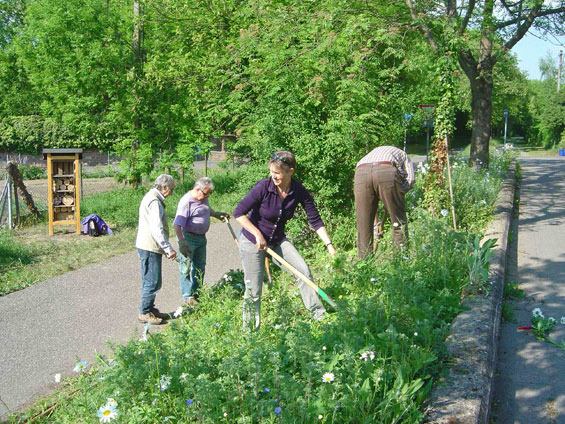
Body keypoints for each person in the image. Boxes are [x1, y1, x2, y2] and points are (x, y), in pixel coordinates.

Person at [233, 150, 336, 330]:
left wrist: (329, 245)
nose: (274, 177)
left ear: (291, 172)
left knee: (304, 272)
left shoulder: (298, 191)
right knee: (254, 289)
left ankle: (320, 317)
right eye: (272, 173)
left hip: (277, 240)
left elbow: (315, 220)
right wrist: (257, 234)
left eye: (278, 173)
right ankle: (249, 331)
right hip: (252, 241)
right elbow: (238, 213)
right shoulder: (263, 187)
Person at [173, 177, 229, 306]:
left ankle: (197, 293)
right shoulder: (186, 202)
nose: (206, 196)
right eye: (205, 193)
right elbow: (177, 225)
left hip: (201, 238)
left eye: (208, 194)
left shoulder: (203, 198)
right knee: (185, 268)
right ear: (197, 189)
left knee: (200, 266)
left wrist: (217, 214)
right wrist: (182, 242)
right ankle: (188, 296)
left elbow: (207, 210)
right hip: (188, 239)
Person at [354, 145, 415, 258]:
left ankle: (364, 265)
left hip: (360, 172)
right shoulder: (404, 155)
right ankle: (401, 261)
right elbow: (410, 179)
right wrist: (397, 196)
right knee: (398, 222)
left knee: (363, 225)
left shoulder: (372, 154)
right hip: (386, 170)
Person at [136, 174, 177, 324]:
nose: (172, 192)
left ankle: (150, 308)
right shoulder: (154, 201)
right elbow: (157, 228)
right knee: (152, 281)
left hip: (149, 245)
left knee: (153, 280)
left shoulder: (152, 197)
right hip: (150, 246)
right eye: (171, 189)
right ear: (164, 187)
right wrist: (168, 248)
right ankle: (144, 312)